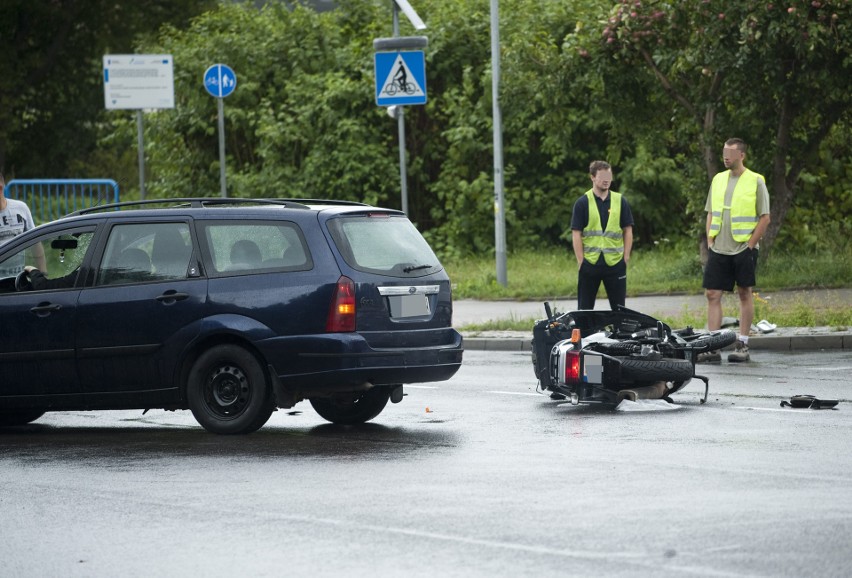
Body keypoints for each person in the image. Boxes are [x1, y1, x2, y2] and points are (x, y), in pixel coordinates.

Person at [701, 138, 771, 363]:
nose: (725, 157)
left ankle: (742, 344)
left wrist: (750, 246)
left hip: (743, 247)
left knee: (744, 293)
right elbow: (711, 211)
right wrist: (710, 239)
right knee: (712, 293)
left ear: (742, 155)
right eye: (724, 152)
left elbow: (765, 217)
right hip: (718, 247)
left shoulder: (756, 181)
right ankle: (712, 346)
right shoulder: (718, 179)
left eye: (730, 153)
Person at [571, 160, 634, 310]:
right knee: (585, 309)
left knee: (619, 310)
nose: (607, 180)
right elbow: (576, 233)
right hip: (590, 263)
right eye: (602, 176)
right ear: (592, 177)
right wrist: (581, 261)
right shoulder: (582, 203)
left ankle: (618, 334)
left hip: (615, 263)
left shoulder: (620, 201)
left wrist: (626, 257)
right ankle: (586, 333)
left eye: (609, 175)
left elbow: (628, 230)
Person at [0, 172, 47, 275]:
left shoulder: (20, 208)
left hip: (17, 281)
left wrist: (43, 274)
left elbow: (35, 242)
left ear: (0, 188)